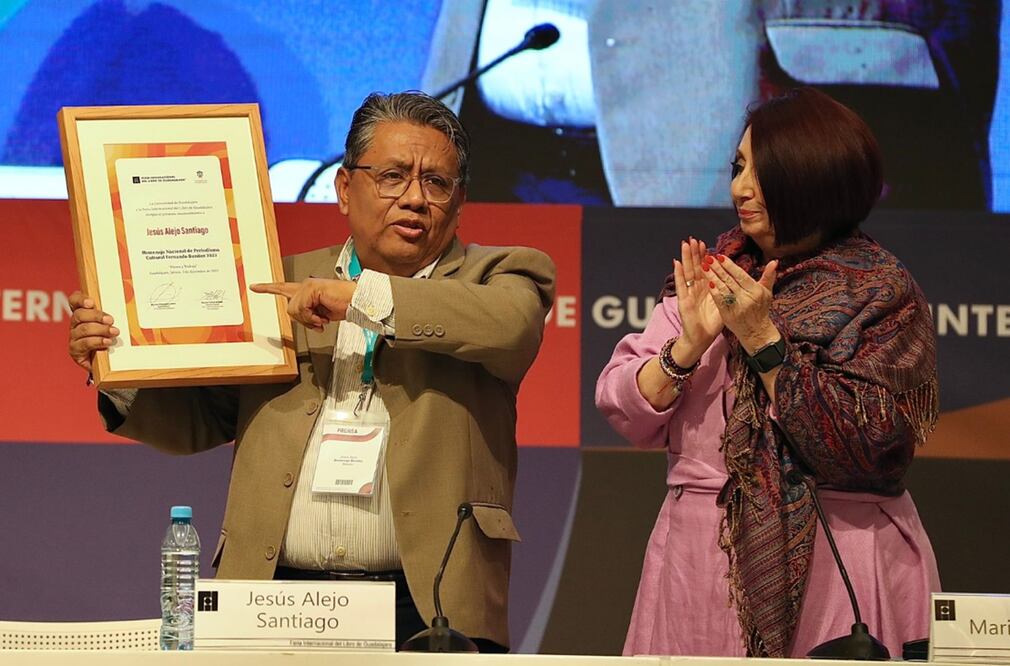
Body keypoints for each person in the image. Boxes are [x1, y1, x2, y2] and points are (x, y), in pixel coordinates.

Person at [67, 91, 556, 652]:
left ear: (460, 201)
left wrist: (359, 297)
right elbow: (203, 420)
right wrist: (119, 362)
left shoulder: (503, 276)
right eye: (393, 176)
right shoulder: (278, 281)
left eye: (436, 183)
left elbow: (513, 326)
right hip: (271, 598)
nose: (415, 199)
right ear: (344, 189)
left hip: (425, 606)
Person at [596, 87, 940, 657]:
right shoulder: (715, 276)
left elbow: (869, 445)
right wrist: (688, 346)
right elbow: (621, 406)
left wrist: (762, 338)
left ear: (813, 176)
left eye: (761, 171)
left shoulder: (879, 293)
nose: (739, 188)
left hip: (842, 558)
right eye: (737, 168)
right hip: (702, 563)